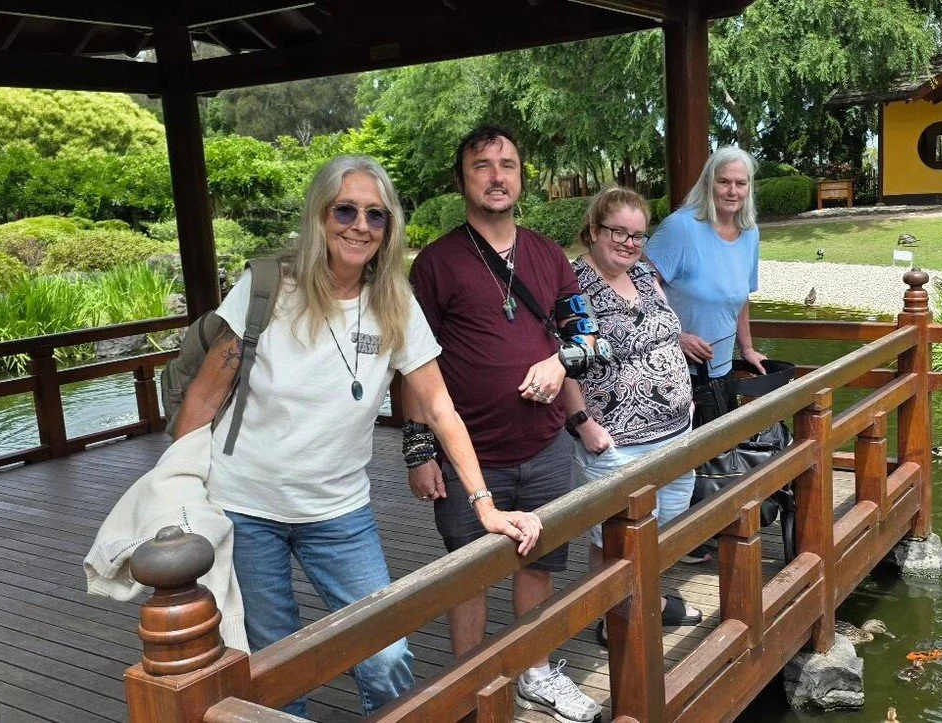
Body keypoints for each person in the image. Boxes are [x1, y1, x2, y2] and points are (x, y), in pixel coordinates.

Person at [173, 155, 541, 717]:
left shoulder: (395, 302)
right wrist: (179, 486)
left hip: (339, 512)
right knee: (275, 660)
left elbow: (440, 405)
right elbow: (203, 395)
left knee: (387, 654)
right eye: (345, 210)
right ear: (320, 215)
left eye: (376, 215)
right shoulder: (267, 288)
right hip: (245, 506)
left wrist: (484, 504)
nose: (360, 226)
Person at [405, 126, 602, 723]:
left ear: (522, 176)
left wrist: (558, 363)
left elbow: (587, 337)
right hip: (471, 455)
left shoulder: (547, 254)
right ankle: (473, 681)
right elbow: (413, 365)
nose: (496, 176)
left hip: (543, 447)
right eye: (483, 165)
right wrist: (419, 449)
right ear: (462, 178)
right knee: (469, 570)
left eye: (508, 164)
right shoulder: (437, 263)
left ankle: (534, 671)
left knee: (539, 558)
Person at [562, 186, 703, 646]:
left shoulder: (645, 275)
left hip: (676, 430)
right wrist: (583, 424)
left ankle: (648, 598)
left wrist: (681, 384)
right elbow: (561, 358)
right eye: (617, 232)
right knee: (614, 538)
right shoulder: (574, 285)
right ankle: (613, 614)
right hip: (618, 438)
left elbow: (664, 331)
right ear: (594, 231)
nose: (628, 242)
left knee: (665, 525)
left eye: (637, 235)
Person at [645, 146, 767, 564]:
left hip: (718, 366)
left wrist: (747, 348)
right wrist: (675, 333)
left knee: (711, 448)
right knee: (680, 455)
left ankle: (698, 530)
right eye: (724, 181)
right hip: (673, 366)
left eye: (740, 183)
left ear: (749, 189)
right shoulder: (681, 228)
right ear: (708, 182)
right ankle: (673, 540)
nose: (732, 190)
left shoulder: (749, 233)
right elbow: (642, 282)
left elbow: (741, 298)